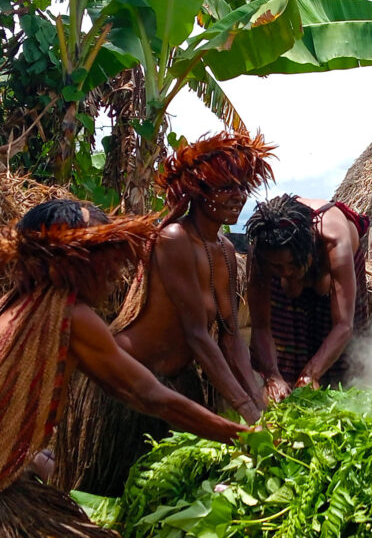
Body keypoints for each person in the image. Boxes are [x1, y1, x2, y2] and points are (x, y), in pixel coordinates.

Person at [0, 199, 248, 537]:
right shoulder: (70, 318)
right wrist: (241, 436)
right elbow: (149, 396)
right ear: (74, 261)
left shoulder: (18, 303)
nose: (116, 275)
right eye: (106, 261)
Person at [54, 131, 273, 496]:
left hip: (177, 384)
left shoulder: (223, 248)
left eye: (242, 187)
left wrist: (260, 406)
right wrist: (247, 413)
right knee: (107, 497)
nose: (238, 196)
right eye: (226, 187)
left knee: (174, 498)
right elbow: (196, 335)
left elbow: (231, 336)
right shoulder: (175, 239)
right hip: (130, 384)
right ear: (199, 191)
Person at [246, 194, 369, 400]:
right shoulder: (261, 251)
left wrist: (310, 374)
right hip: (290, 261)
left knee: (344, 373)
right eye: (277, 267)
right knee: (282, 353)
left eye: (291, 265)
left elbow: (343, 325)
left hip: (333, 265)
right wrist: (273, 376)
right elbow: (260, 325)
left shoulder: (334, 239)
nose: (285, 272)